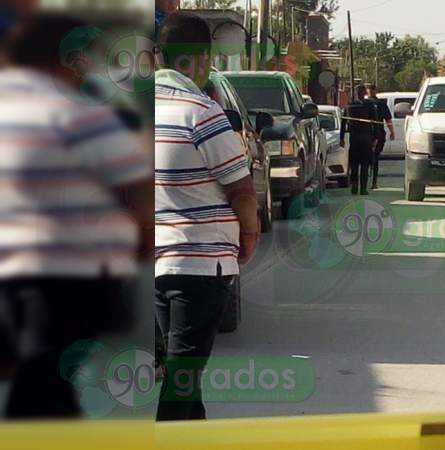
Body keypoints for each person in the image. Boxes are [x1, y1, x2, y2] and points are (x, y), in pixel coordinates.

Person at [0, 15, 152, 418]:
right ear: (65, 60)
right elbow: (138, 193)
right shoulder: (79, 114)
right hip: (72, 281)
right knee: (44, 392)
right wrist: (138, 250)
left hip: (20, 281)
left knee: (43, 386)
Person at [154, 12, 259, 421]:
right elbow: (243, 191)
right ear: (203, 59)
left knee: (182, 377)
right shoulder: (203, 114)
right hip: (199, 268)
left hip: (155, 263)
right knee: (182, 381)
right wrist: (248, 236)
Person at [340, 85, 379, 195]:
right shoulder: (370, 105)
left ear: (356, 93)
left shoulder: (350, 106)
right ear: (364, 93)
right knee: (365, 164)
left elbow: (343, 122)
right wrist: (376, 137)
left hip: (354, 138)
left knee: (354, 163)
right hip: (366, 138)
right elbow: (375, 122)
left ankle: (354, 186)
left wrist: (342, 138)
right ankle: (363, 189)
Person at [365, 83, 395, 190]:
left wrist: (392, 131)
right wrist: (392, 132)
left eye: (372, 89)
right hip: (371, 134)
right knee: (374, 159)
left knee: (373, 158)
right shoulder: (368, 104)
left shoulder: (379, 104)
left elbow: (388, 120)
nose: (371, 91)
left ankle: (373, 182)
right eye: (370, 89)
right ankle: (372, 182)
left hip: (374, 134)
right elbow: (388, 120)